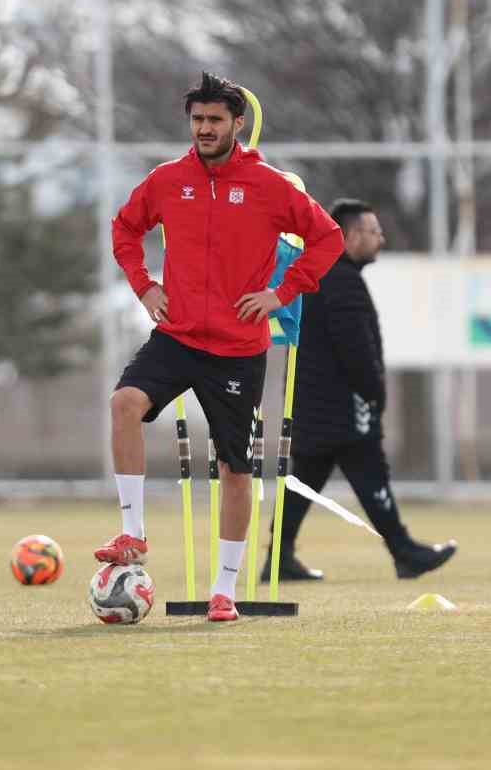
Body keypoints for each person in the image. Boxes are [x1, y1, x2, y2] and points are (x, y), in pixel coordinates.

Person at [102, 72, 344, 622]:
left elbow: (327, 238)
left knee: (236, 470)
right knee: (124, 405)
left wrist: (281, 293)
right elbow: (123, 228)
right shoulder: (168, 179)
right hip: (177, 334)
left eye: (215, 120)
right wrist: (144, 286)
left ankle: (225, 591)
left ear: (238, 124)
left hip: (237, 348)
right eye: (197, 120)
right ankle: (133, 536)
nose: (205, 129)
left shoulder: (269, 185)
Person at [262, 199, 456, 584]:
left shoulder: (318, 274)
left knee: (306, 480)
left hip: (310, 401)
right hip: (341, 405)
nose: (380, 238)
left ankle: (279, 557)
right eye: (374, 232)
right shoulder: (342, 280)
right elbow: (356, 347)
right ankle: (404, 551)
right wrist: (374, 391)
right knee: (369, 473)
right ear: (350, 237)